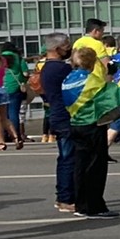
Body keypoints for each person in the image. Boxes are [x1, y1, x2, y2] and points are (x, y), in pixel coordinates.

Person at [65, 45, 120, 219]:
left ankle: (80, 205)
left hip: (75, 123)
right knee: (96, 167)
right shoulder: (92, 80)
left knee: (80, 166)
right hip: (92, 125)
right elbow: (109, 98)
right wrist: (111, 76)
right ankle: (95, 206)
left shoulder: (68, 78)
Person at [39, 33, 76, 211]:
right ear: (57, 48)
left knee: (65, 157)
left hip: (57, 115)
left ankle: (64, 196)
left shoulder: (47, 67)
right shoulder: (61, 69)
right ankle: (66, 198)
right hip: (65, 117)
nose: (69, 49)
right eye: (67, 45)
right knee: (69, 159)